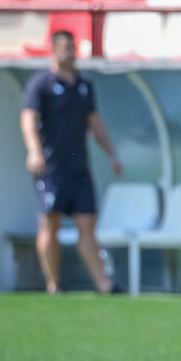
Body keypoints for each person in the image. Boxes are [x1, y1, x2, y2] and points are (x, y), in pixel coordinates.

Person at [19, 30, 123, 294]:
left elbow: (94, 122)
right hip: (51, 168)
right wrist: (34, 151)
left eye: (72, 46)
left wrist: (111, 153)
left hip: (80, 169)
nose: (69, 51)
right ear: (53, 50)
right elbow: (28, 118)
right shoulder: (41, 83)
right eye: (64, 47)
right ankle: (53, 283)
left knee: (87, 225)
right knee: (50, 224)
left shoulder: (84, 85)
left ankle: (104, 285)